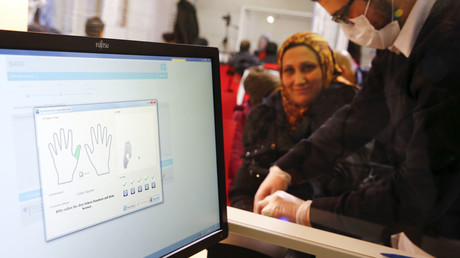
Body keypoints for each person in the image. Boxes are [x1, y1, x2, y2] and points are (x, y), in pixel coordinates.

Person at [253, 0, 460, 256]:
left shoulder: (450, 44)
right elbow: (359, 116)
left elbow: (420, 191)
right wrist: (285, 169)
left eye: (344, 14)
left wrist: (306, 212)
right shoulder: (396, 34)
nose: (347, 28)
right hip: (415, 231)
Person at [230, 31, 371, 212]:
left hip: (324, 227)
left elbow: (348, 177)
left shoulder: (350, 108)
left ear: (325, 67)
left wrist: (293, 207)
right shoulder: (268, 111)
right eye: (289, 70)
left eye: (308, 68)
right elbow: (244, 186)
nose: (299, 80)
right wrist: (251, 218)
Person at [227, 67, 281, 191]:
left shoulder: (278, 113)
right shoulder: (242, 116)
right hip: (249, 183)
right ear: (261, 97)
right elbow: (235, 158)